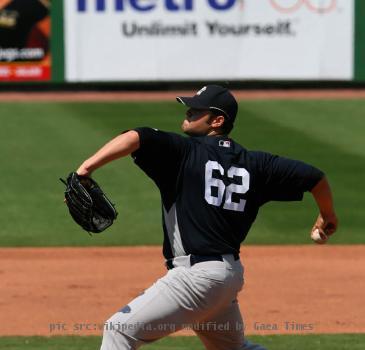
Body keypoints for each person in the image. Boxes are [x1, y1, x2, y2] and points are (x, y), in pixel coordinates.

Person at [76, 85, 338, 350]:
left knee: (119, 331)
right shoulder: (257, 164)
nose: (188, 111)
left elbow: (137, 136)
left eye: (197, 109)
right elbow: (315, 177)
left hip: (196, 278)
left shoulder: (184, 153)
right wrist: (327, 215)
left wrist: (85, 169)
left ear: (217, 120)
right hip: (227, 277)